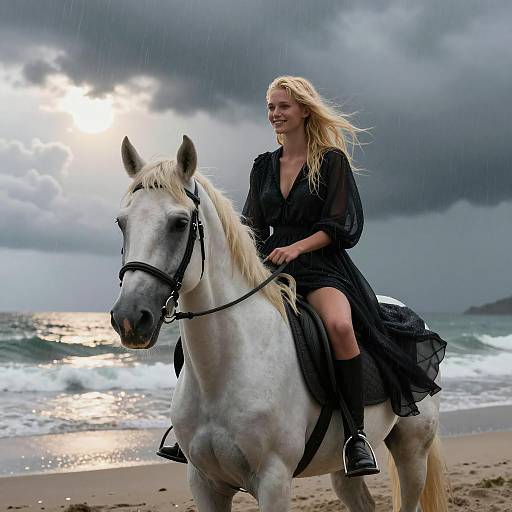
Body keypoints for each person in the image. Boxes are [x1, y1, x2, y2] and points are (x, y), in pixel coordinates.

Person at [158, 76, 446, 477]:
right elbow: (252, 226)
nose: (275, 114)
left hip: (323, 268)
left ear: (304, 111)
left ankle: (356, 436)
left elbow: (341, 223)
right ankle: (189, 426)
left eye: (283, 107)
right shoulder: (263, 166)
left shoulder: (330, 162)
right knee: (209, 326)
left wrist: (298, 246)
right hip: (271, 267)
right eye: (271, 107)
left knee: (340, 326)